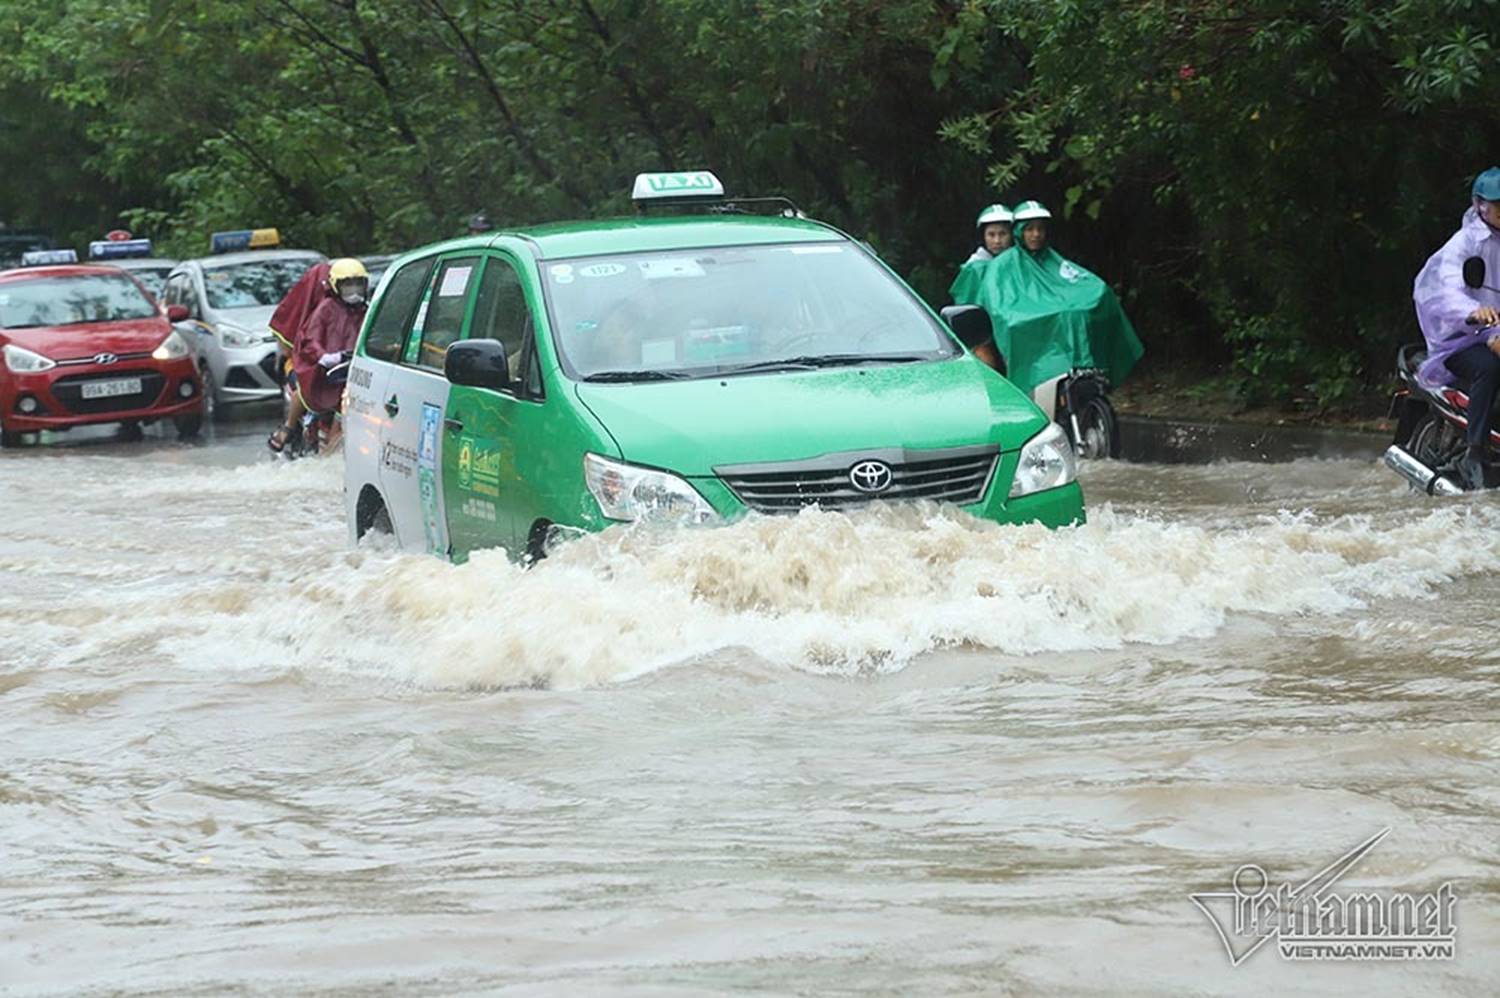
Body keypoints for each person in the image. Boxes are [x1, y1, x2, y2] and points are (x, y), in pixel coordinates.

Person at [1413, 167, 1500, 489]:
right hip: (1459, 340)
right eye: (1499, 205)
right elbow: (1445, 291)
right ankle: (1475, 452)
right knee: (1489, 367)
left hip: (1496, 331)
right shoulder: (1464, 244)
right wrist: (1475, 312)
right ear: (1480, 205)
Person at [290, 258, 369, 450]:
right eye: (348, 285)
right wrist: (324, 357)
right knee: (303, 392)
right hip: (326, 373)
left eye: (358, 284)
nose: (354, 290)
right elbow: (310, 339)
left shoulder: (366, 310)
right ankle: (288, 428)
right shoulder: (326, 308)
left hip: (355, 371)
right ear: (336, 286)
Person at [267, 261, 332, 453]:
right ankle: (288, 427)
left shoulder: (345, 308)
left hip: (339, 364)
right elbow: (287, 346)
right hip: (303, 365)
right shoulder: (295, 308)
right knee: (305, 387)